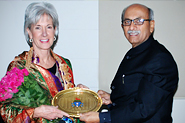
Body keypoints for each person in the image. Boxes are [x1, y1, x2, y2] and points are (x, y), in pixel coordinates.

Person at [79, 3, 179, 123]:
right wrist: (113, 98)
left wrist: (102, 118)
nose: (132, 27)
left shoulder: (159, 59)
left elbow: (144, 109)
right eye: (127, 22)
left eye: (139, 21)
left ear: (151, 25)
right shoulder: (136, 52)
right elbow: (137, 91)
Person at [0, 2, 75, 123]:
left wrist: (80, 95)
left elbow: (70, 106)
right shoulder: (18, 68)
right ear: (29, 31)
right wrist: (35, 112)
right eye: (38, 27)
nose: (44, 33)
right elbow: (4, 110)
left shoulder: (65, 64)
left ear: (55, 30)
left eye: (49, 27)